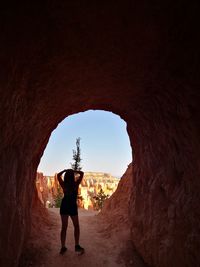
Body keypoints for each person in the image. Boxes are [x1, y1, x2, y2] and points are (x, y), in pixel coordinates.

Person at [57, 169, 85, 255]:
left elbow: (58, 175)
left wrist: (64, 170)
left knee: (64, 227)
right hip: (72, 206)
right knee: (76, 226)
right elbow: (82, 173)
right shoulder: (75, 184)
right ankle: (76, 246)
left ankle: (63, 247)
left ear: (65, 177)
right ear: (72, 176)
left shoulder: (64, 184)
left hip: (64, 205)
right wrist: (74, 171)